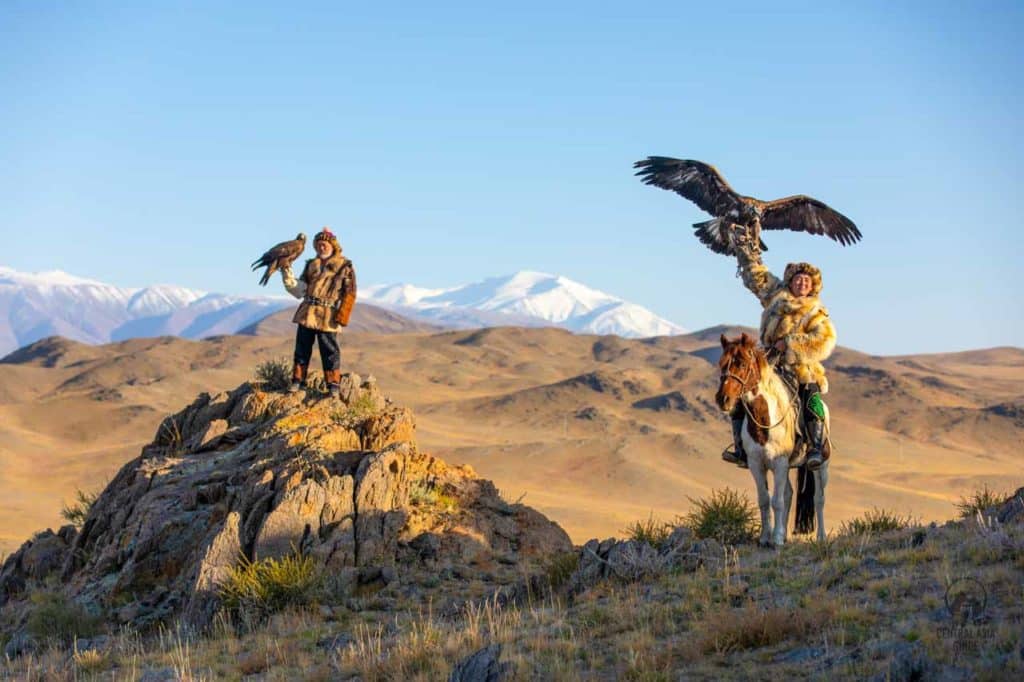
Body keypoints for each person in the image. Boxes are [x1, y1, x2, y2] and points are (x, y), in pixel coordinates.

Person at [722, 227, 837, 470]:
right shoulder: (775, 295)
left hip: (801, 368)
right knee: (742, 397)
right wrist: (746, 251)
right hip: (768, 364)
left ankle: (815, 447)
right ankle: (741, 448)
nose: (802, 282)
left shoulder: (816, 312)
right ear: (790, 281)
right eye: (798, 278)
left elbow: (824, 340)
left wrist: (791, 344)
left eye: (807, 280)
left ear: (813, 286)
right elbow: (758, 277)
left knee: (812, 401)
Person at [280, 227, 356, 398]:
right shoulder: (311, 265)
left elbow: (350, 293)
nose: (321, 247)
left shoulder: (345, 266)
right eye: (319, 244)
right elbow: (301, 289)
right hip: (308, 311)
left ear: (333, 245)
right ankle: (297, 381)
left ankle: (333, 384)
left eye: (325, 244)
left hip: (328, 314)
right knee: (302, 347)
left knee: (330, 350)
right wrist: (287, 274)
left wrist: (343, 316)